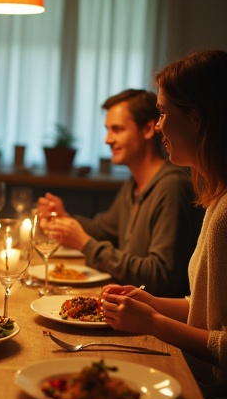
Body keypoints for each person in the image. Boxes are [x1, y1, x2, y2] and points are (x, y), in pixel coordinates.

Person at [102, 49, 227, 399]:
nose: (158, 127)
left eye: (162, 113)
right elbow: (207, 306)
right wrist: (154, 304)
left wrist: (154, 323)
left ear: (197, 117)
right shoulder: (215, 197)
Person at [38, 89, 203, 297]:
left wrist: (85, 244)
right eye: (108, 129)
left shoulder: (172, 187)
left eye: (117, 129)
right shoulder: (134, 183)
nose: (107, 139)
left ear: (148, 129)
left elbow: (161, 277)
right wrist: (64, 219)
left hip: (153, 319)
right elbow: (102, 229)